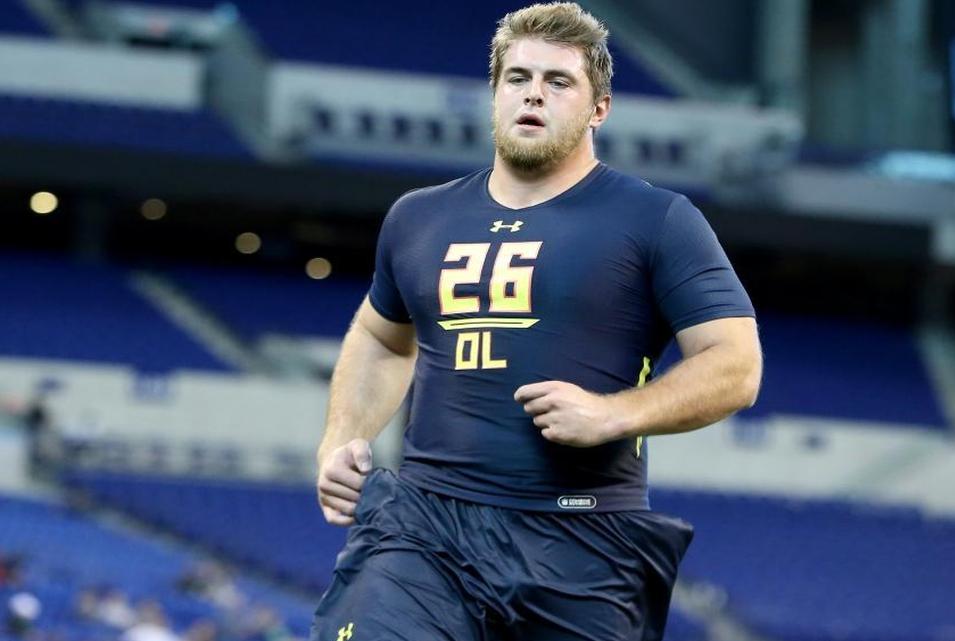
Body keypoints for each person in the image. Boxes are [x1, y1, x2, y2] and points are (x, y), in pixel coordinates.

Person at [311, 3, 762, 640]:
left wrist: (614, 412)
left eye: (559, 82)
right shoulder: (418, 217)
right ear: (495, 93)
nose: (534, 95)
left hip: (581, 540)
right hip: (424, 528)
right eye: (518, 78)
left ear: (598, 108)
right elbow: (383, 338)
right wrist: (341, 439)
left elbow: (736, 365)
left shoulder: (657, 219)